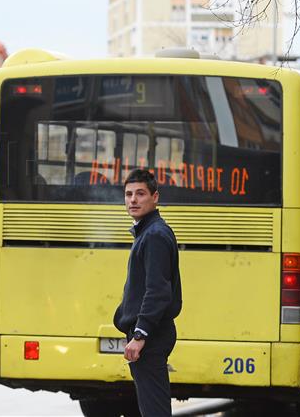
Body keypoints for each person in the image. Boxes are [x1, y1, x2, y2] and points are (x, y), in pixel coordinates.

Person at [113, 169, 182, 417]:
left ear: (155, 197)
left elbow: (158, 291)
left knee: (155, 410)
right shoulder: (149, 233)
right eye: (128, 194)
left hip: (152, 335)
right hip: (152, 332)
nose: (133, 199)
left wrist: (141, 334)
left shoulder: (154, 235)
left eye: (140, 194)